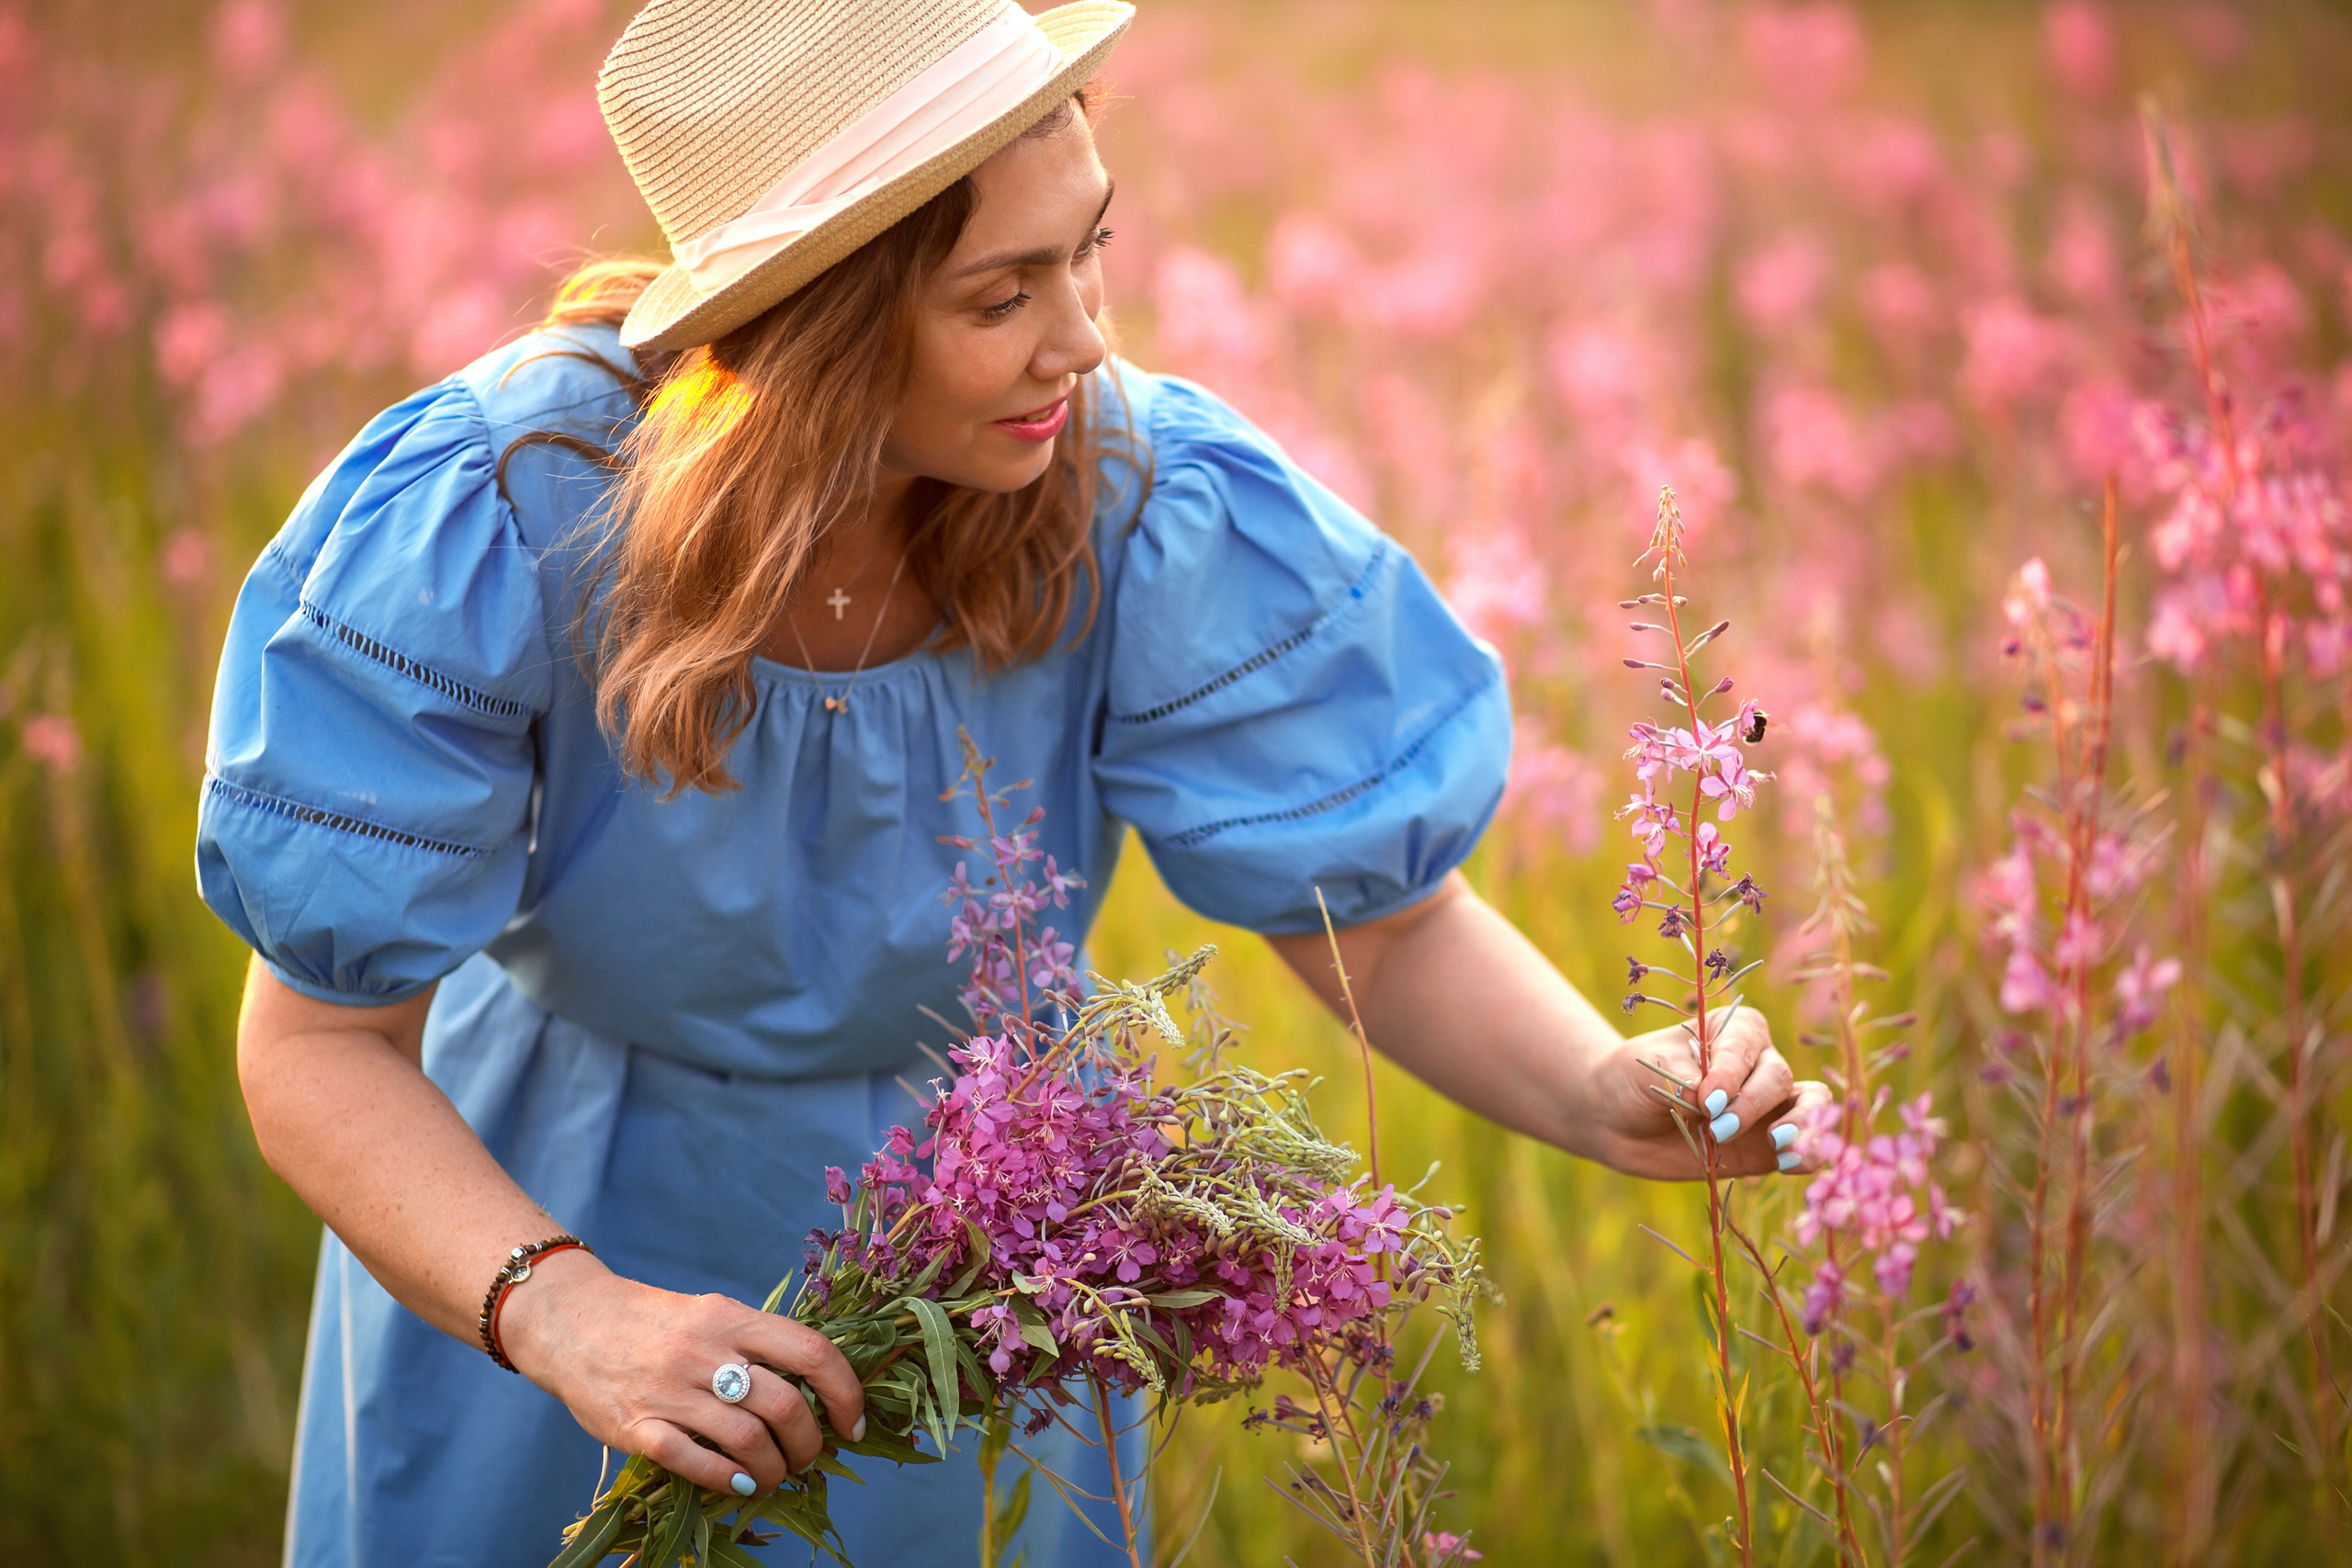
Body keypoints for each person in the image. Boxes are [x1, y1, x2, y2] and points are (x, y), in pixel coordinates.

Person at [197, 1, 1828, 1562]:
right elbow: (316, 1044)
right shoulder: (512, 508)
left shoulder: (1131, 491)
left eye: (1090, 246)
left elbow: (1379, 924)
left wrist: (1596, 1090)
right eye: (1001, 299)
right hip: (548, 1221)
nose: (1084, 340)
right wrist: (563, 1311)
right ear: (817, 326)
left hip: (987, 1245)